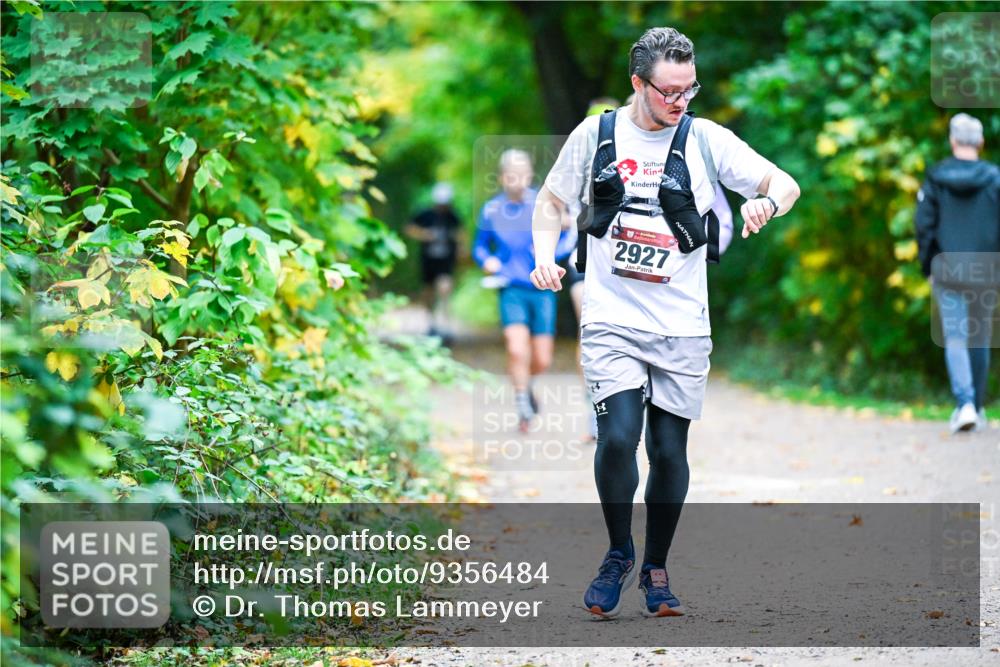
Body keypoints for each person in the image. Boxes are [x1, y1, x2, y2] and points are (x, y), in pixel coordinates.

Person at [531, 27, 800, 618]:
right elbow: (551, 202)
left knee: (669, 450)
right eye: (670, 91)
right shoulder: (596, 134)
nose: (681, 101)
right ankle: (618, 552)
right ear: (638, 84)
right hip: (611, 317)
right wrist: (542, 256)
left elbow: (784, 182)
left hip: (682, 324)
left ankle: (657, 567)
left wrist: (766, 202)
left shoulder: (706, 139)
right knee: (619, 437)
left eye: (689, 88)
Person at [473, 149, 574, 431]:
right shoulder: (492, 209)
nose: (516, 180)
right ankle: (522, 403)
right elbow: (479, 246)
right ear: (502, 177)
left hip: (542, 288)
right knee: (517, 349)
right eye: (510, 175)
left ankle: (526, 384)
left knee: (542, 358)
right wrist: (487, 260)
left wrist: (553, 257)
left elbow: (568, 237)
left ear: (530, 175)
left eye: (522, 174)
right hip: (510, 288)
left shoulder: (543, 205)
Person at [915, 113, 1000, 434]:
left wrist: (928, 265)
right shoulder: (995, 178)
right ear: (980, 142)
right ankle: (975, 408)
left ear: (953, 140)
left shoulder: (936, 178)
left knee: (955, 335)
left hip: (948, 269)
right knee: (979, 337)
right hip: (986, 269)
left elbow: (923, 226)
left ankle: (964, 404)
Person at [405, 182, 462, 339]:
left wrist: (460, 248)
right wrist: (424, 235)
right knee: (428, 292)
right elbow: (409, 228)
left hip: (446, 261)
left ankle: (445, 324)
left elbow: (461, 234)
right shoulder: (425, 214)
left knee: (445, 289)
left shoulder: (453, 216)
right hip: (428, 260)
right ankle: (431, 323)